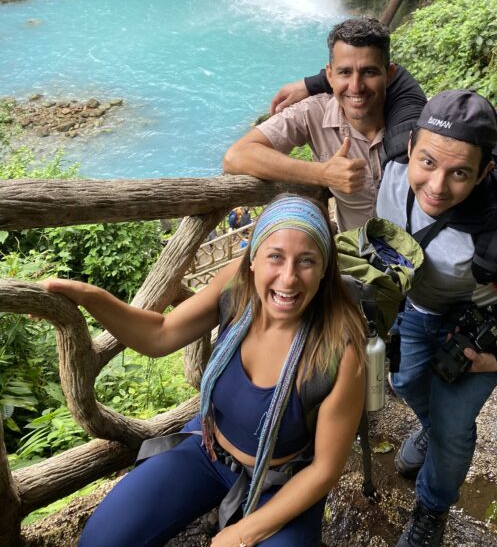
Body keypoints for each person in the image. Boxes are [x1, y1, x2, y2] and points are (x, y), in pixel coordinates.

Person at [40, 195, 366, 547]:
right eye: (275, 256)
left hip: (283, 480)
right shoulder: (236, 290)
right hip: (209, 451)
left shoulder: (339, 350)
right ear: (252, 259)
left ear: (324, 269)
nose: (288, 278)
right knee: (102, 541)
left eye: (306, 261)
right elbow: (159, 335)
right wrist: (89, 296)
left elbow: (324, 470)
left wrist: (242, 533)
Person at [376, 90, 497, 547]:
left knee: (454, 433)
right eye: (428, 163)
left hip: (479, 322)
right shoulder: (392, 163)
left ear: (484, 174)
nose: (438, 186)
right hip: (417, 306)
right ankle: (432, 427)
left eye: (460, 172)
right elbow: (383, 74)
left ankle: (431, 509)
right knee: (404, 382)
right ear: (410, 145)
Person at [224, 18, 426, 232]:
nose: (355, 87)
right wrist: (322, 173)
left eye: (369, 72)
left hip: (419, 254)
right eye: (344, 72)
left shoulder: (415, 120)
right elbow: (236, 156)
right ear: (330, 75)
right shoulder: (313, 112)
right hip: (356, 256)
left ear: (389, 75)